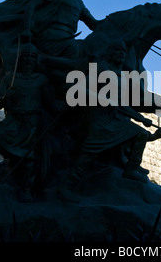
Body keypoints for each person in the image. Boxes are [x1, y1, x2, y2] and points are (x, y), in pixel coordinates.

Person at [59, 39, 154, 201]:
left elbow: (120, 104)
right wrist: (101, 98)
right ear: (110, 53)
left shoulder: (120, 76)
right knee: (88, 155)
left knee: (140, 133)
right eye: (117, 50)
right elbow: (76, 89)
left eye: (123, 51)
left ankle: (131, 169)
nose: (121, 54)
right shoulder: (101, 68)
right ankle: (67, 186)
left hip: (115, 120)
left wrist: (140, 117)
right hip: (98, 120)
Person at [0, 44, 64, 201]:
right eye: (27, 57)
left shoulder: (41, 80)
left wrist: (64, 104)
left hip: (31, 123)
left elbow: (51, 102)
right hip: (13, 120)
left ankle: (27, 189)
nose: (30, 60)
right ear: (21, 59)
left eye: (33, 57)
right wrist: (5, 97)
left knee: (29, 158)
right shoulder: (9, 78)